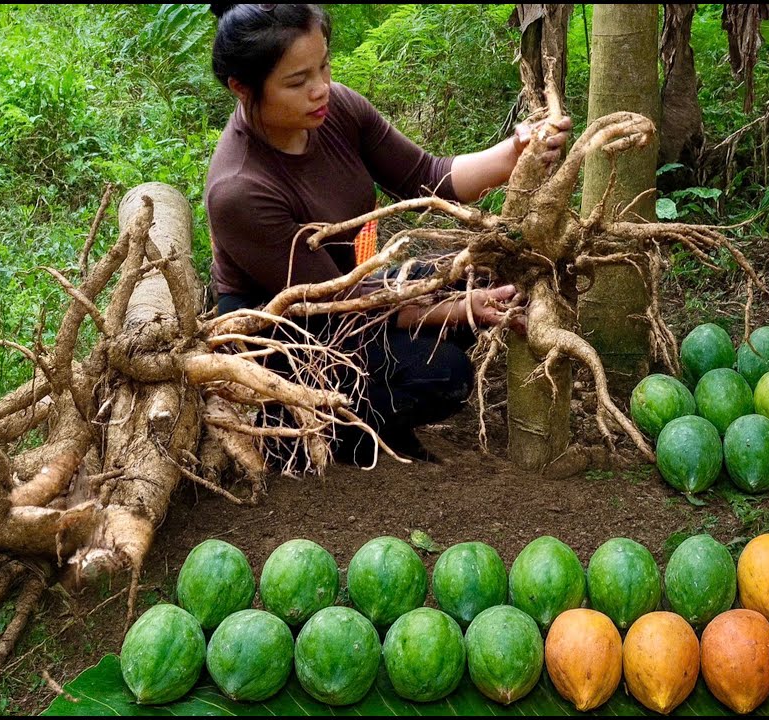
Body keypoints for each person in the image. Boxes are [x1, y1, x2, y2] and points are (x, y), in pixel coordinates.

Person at [204, 4, 570, 466]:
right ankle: (307, 433)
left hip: (351, 292)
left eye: (324, 66)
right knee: (443, 373)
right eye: (297, 82)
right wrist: (456, 311)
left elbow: (428, 174)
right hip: (289, 332)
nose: (321, 89)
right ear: (242, 88)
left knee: (472, 277)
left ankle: (367, 411)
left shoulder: (338, 110)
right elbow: (331, 304)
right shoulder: (239, 190)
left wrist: (517, 149)